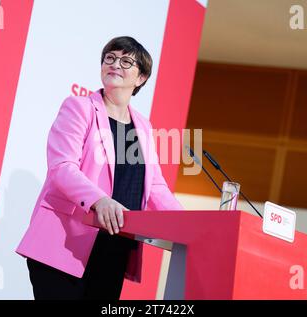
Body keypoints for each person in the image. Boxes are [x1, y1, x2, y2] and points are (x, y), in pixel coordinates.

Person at [16, 36, 183, 300]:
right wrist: (99, 200)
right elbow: (62, 167)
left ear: (141, 78)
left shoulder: (143, 126)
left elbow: (155, 188)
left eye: (126, 61)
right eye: (110, 58)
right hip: (65, 244)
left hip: (114, 249)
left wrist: (186, 225)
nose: (115, 64)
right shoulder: (79, 108)